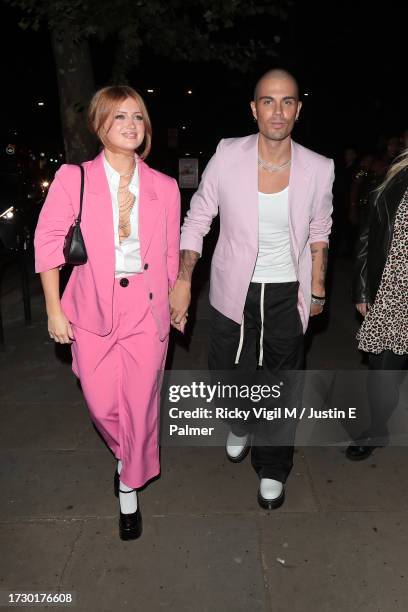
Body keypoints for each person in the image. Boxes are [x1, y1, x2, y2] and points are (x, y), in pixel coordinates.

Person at [169, 68, 334, 509]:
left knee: (283, 382)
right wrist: (183, 280)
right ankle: (239, 420)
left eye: (287, 101)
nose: (277, 111)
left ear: (298, 110)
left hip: (287, 290)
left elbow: (320, 226)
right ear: (253, 109)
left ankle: (274, 465)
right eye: (267, 101)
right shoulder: (228, 153)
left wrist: (317, 287)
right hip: (233, 288)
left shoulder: (320, 167)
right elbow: (199, 216)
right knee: (226, 369)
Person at [34, 86, 181, 540]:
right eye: (119, 117)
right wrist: (54, 310)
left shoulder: (164, 186)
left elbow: (170, 253)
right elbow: (46, 244)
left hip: (146, 307)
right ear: (99, 125)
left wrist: (176, 298)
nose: (131, 125)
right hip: (89, 305)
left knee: (139, 404)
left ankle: (128, 484)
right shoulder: (73, 179)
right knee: (101, 403)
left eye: (138, 116)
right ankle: (129, 452)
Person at [348, 146, 408, 460]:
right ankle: (377, 428)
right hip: (395, 295)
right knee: (381, 373)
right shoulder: (397, 173)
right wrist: (361, 290)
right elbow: (368, 235)